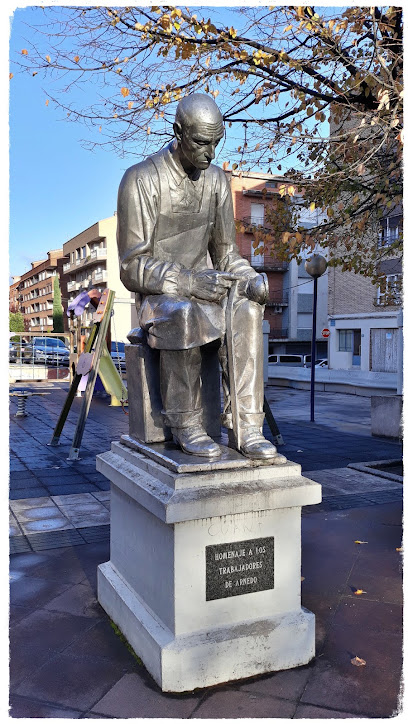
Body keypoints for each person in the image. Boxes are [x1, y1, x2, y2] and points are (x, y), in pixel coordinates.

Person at [117, 93, 285, 463]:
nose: (210, 153)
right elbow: (132, 265)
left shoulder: (217, 181)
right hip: (160, 297)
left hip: (206, 288)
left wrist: (250, 279)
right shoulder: (141, 179)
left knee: (248, 312)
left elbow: (226, 252)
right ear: (178, 131)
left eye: (216, 142)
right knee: (184, 313)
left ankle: (246, 424)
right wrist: (189, 282)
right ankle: (184, 422)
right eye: (201, 142)